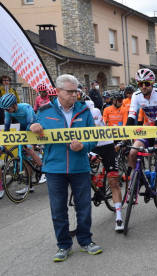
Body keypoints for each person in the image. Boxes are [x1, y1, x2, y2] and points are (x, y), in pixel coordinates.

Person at [29, 74, 101, 262]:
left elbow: (93, 138)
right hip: (55, 169)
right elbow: (34, 130)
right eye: (70, 91)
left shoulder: (84, 110)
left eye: (76, 91)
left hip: (79, 167)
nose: (74, 95)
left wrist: (83, 147)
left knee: (84, 207)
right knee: (58, 209)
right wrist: (33, 126)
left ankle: (85, 241)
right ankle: (63, 245)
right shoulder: (44, 110)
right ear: (59, 91)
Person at [126, 69, 157, 223]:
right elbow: (131, 117)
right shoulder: (136, 96)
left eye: (146, 83)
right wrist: (123, 139)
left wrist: (156, 143)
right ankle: (140, 178)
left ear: (152, 83)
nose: (143, 86)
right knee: (133, 152)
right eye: (140, 84)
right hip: (149, 128)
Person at [89, 101, 125, 232]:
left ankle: (119, 217)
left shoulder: (93, 111)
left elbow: (95, 128)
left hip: (105, 146)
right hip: (89, 146)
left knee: (113, 182)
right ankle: (96, 183)